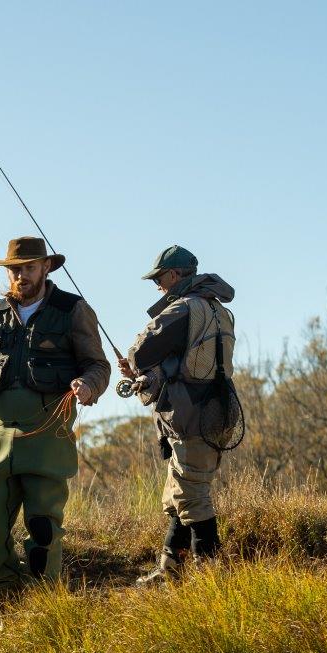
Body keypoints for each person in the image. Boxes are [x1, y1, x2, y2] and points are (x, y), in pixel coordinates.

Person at [0, 236, 110, 597]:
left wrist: (87, 385)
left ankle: (41, 605)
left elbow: (98, 365)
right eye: (15, 270)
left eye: (29, 268)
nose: (21, 276)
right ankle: (6, 596)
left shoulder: (73, 310)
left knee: (42, 529)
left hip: (48, 436)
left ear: (46, 267)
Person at [118, 245, 236, 584]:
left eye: (158, 278)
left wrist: (141, 368)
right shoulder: (219, 311)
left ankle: (212, 578)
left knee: (192, 495)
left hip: (189, 413)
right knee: (178, 494)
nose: (157, 285)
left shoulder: (183, 308)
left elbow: (142, 350)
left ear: (173, 275)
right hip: (220, 409)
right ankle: (170, 571)